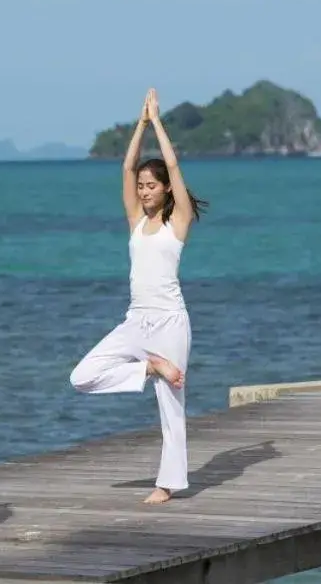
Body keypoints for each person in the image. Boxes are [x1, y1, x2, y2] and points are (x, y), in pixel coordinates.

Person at [69, 88, 208, 505]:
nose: (145, 191)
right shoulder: (135, 221)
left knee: (172, 407)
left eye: (152, 186)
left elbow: (173, 164)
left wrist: (160, 124)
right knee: (81, 376)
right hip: (136, 322)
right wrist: (141, 122)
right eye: (142, 187)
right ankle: (149, 368)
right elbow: (128, 165)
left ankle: (166, 485)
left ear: (166, 190)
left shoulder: (177, 223)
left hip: (169, 321)